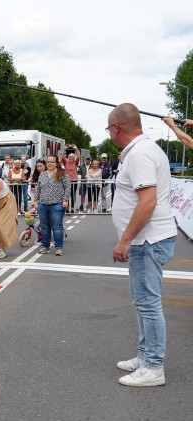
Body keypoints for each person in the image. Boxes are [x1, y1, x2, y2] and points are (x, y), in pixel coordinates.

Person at [108, 103, 177, 387]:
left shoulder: (140, 154)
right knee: (143, 303)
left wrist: (125, 240)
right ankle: (145, 356)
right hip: (147, 238)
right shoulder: (142, 150)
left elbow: (148, 201)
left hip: (148, 240)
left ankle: (153, 367)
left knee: (148, 304)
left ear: (116, 128)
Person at [32, 155, 70, 256]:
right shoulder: (42, 175)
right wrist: (36, 201)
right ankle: (45, 246)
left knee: (57, 227)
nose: (49, 164)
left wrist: (65, 200)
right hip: (43, 204)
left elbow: (68, 187)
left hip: (57, 204)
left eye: (52, 162)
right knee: (44, 227)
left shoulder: (62, 173)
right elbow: (38, 188)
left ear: (56, 163)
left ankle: (58, 248)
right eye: (48, 162)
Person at [62, 146, 80, 213]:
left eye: (72, 158)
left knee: (73, 194)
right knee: (67, 194)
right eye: (70, 158)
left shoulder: (75, 162)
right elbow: (62, 158)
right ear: (68, 158)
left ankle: (72, 208)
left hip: (74, 180)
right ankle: (67, 207)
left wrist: (76, 149)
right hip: (67, 180)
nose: (71, 159)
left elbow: (78, 157)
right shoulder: (66, 162)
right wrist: (64, 149)